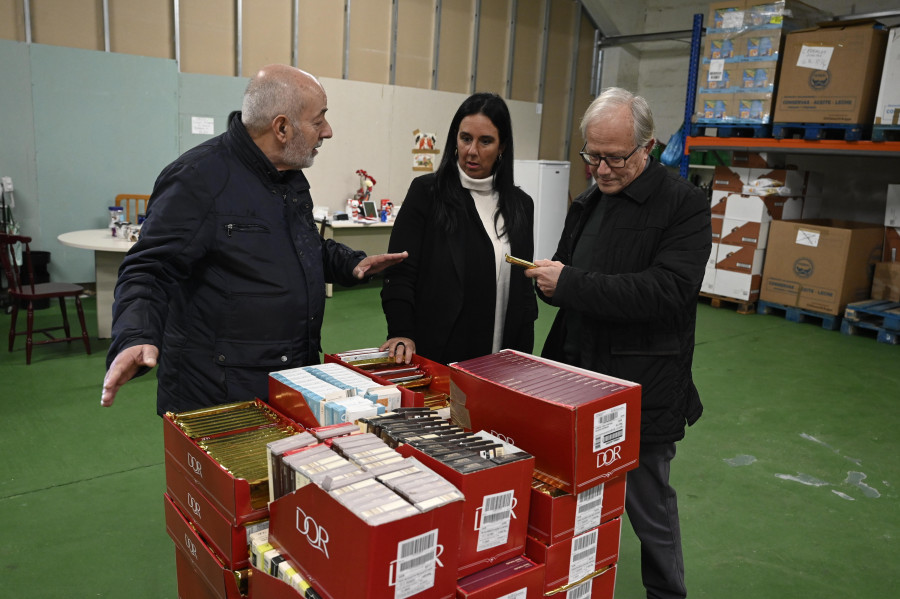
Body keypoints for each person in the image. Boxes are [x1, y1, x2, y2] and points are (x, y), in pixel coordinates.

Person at [101, 64, 407, 415]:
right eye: (319, 120)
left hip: (289, 375)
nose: (328, 132)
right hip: (219, 392)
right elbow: (149, 269)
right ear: (281, 127)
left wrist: (351, 263)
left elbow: (301, 247)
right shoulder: (199, 179)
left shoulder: (288, 177)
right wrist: (135, 335)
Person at [525, 87, 711, 599]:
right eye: (592, 156)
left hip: (643, 383)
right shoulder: (588, 202)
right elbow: (569, 276)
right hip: (576, 373)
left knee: (648, 503)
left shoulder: (684, 205)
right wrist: (549, 281)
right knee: (567, 496)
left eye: (615, 158)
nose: (602, 170)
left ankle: (667, 593)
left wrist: (572, 284)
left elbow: (670, 290)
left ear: (647, 148)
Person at [380, 92, 537, 365]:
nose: (472, 151)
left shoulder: (521, 205)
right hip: (442, 350)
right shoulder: (427, 193)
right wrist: (401, 331)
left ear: (502, 147)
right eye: (466, 138)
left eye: (485, 141)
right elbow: (400, 270)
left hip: (505, 355)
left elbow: (524, 290)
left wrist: (524, 354)